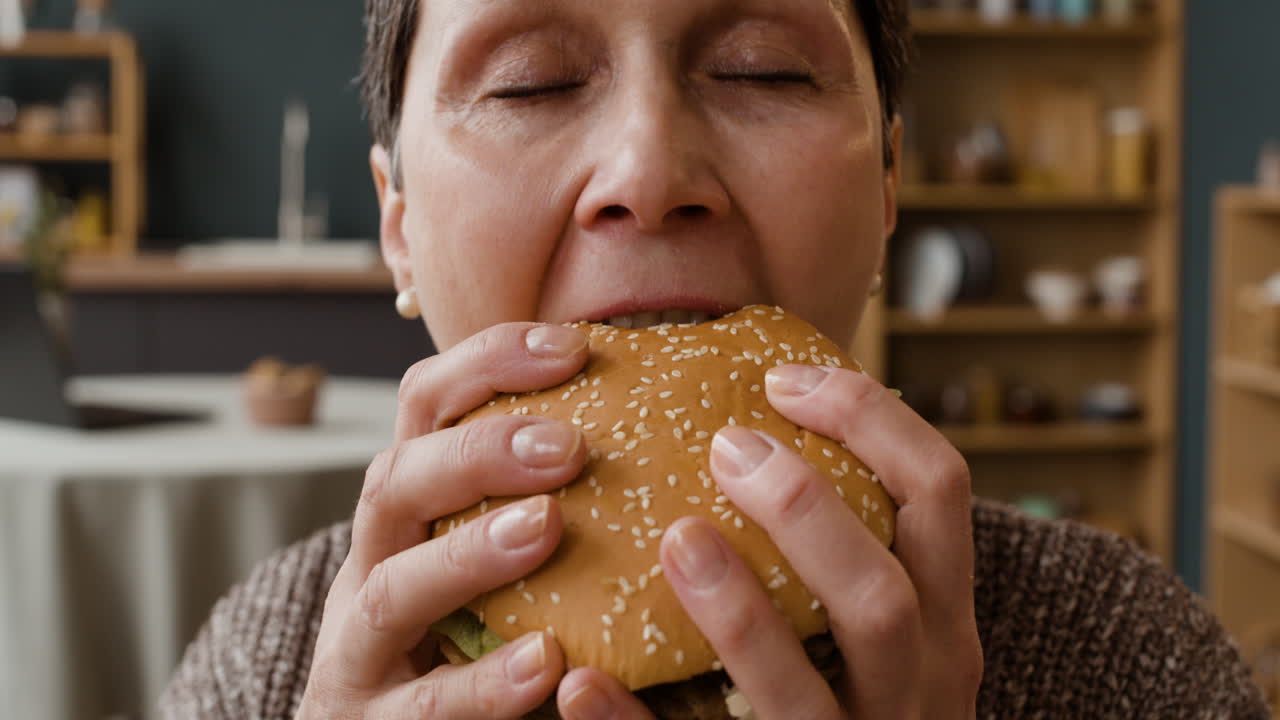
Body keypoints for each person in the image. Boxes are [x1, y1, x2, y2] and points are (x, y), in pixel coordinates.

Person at [161, 0, 1270, 718]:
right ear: (397, 224)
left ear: (886, 189)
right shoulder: (261, 668)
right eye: (531, 83)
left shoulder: (1130, 662)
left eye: (764, 72)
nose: (646, 171)